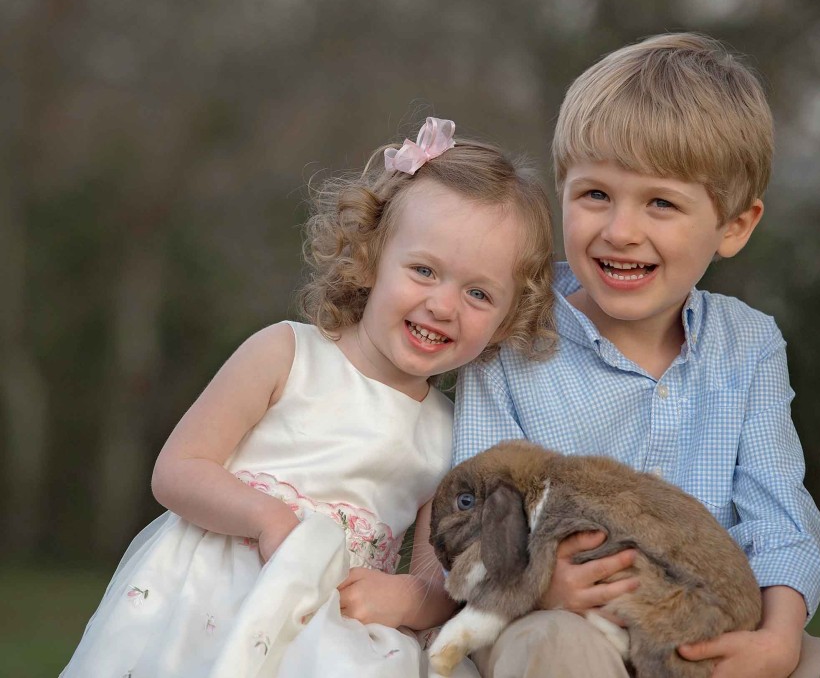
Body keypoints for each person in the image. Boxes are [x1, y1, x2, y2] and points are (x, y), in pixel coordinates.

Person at [61, 116, 557, 678]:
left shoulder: (448, 432)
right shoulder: (286, 354)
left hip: (333, 619)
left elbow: (437, 578)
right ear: (370, 259)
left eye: (477, 293)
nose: (444, 305)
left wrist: (405, 600)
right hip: (215, 594)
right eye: (423, 270)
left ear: (506, 319)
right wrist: (267, 519)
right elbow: (176, 471)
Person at [453, 34, 820, 678]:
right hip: (541, 610)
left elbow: (780, 519)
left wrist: (779, 639)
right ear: (562, 190)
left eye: (661, 203)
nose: (621, 230)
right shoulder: (512, 328)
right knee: (557, 653)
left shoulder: (748, 345)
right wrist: (539, 585)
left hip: (692, 618)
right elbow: (474, 497)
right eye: (595, 195)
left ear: (734, 225)